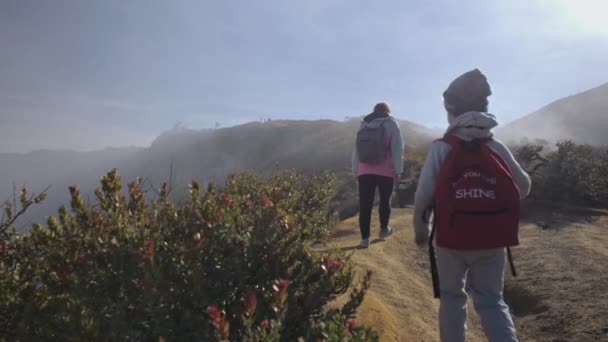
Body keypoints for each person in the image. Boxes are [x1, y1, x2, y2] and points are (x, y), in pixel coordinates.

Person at [413, 69, 531, 342]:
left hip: (450, 240)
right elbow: (523, 188)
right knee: (492, 301)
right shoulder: (496, 146)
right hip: (492, 239)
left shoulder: (442, 148)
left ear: (451, 111)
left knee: (452, 298)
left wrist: (421, 231)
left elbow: (423, 197)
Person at [352, 102, 404, 248]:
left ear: (374, 111)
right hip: (385, 170)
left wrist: (355, 170)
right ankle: (383, 230)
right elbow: (397, 149)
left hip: (364, 171)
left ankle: (364, 239)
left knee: (365, 204)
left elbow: (356, 149)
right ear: (387, 111)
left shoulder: (364, 124)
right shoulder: (392, 124)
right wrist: (398, 170)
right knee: (384, 201)